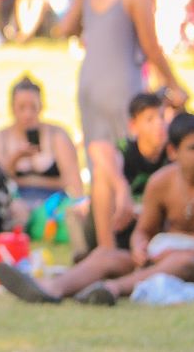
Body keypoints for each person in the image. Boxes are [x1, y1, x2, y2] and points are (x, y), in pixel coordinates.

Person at [0, 112, 194, 306]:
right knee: (106, 255)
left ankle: (111, 289)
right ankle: (51, 288)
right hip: (161, 256)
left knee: (183, 261)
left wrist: (179, 251)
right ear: (173, 152)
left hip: (191, 260)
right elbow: (144, 230)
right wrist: (139, 246)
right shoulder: (161, 183)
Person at [56, 0, 188, 177]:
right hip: (122, 83)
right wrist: (174, 84)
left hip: (88, 80)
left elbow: (65, 27)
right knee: (125, 157)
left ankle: (99, 210)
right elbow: (151, 47)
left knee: (97, 156)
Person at [71, 92, 170, 254]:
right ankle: (107, 251)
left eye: (162, 117)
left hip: (149, 225)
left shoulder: (172, 153)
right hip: (117, 224)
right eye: (150, 119)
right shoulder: (126, 150)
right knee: (102, 175)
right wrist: (122, 188)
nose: (159, 124)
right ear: (133, 125)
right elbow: (97, 148)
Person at [0, 76, 83, 213]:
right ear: (12, 108)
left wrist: (26, 181)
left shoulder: (58, 136)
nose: (28, 114)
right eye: (22, 108)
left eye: (33, 107)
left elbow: (74, 185)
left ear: (41, 106)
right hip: (14, 205)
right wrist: (15, 158)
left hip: (52, 205)